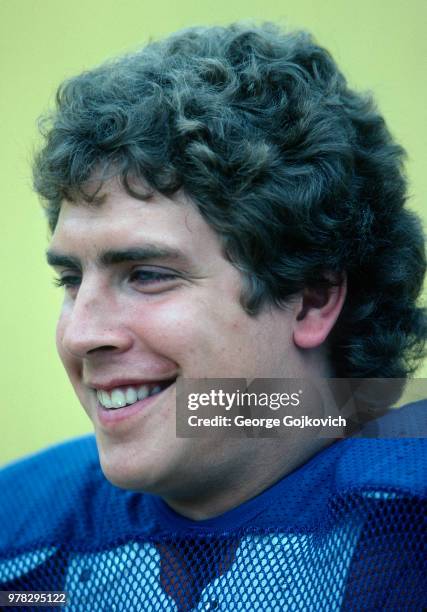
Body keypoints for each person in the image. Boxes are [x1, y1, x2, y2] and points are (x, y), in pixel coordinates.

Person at [0, 22, 426, 611]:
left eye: (147, 275)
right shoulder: (21, 546)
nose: (80, 334)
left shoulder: (407, 534)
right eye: (72, 280)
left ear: (312, 297)